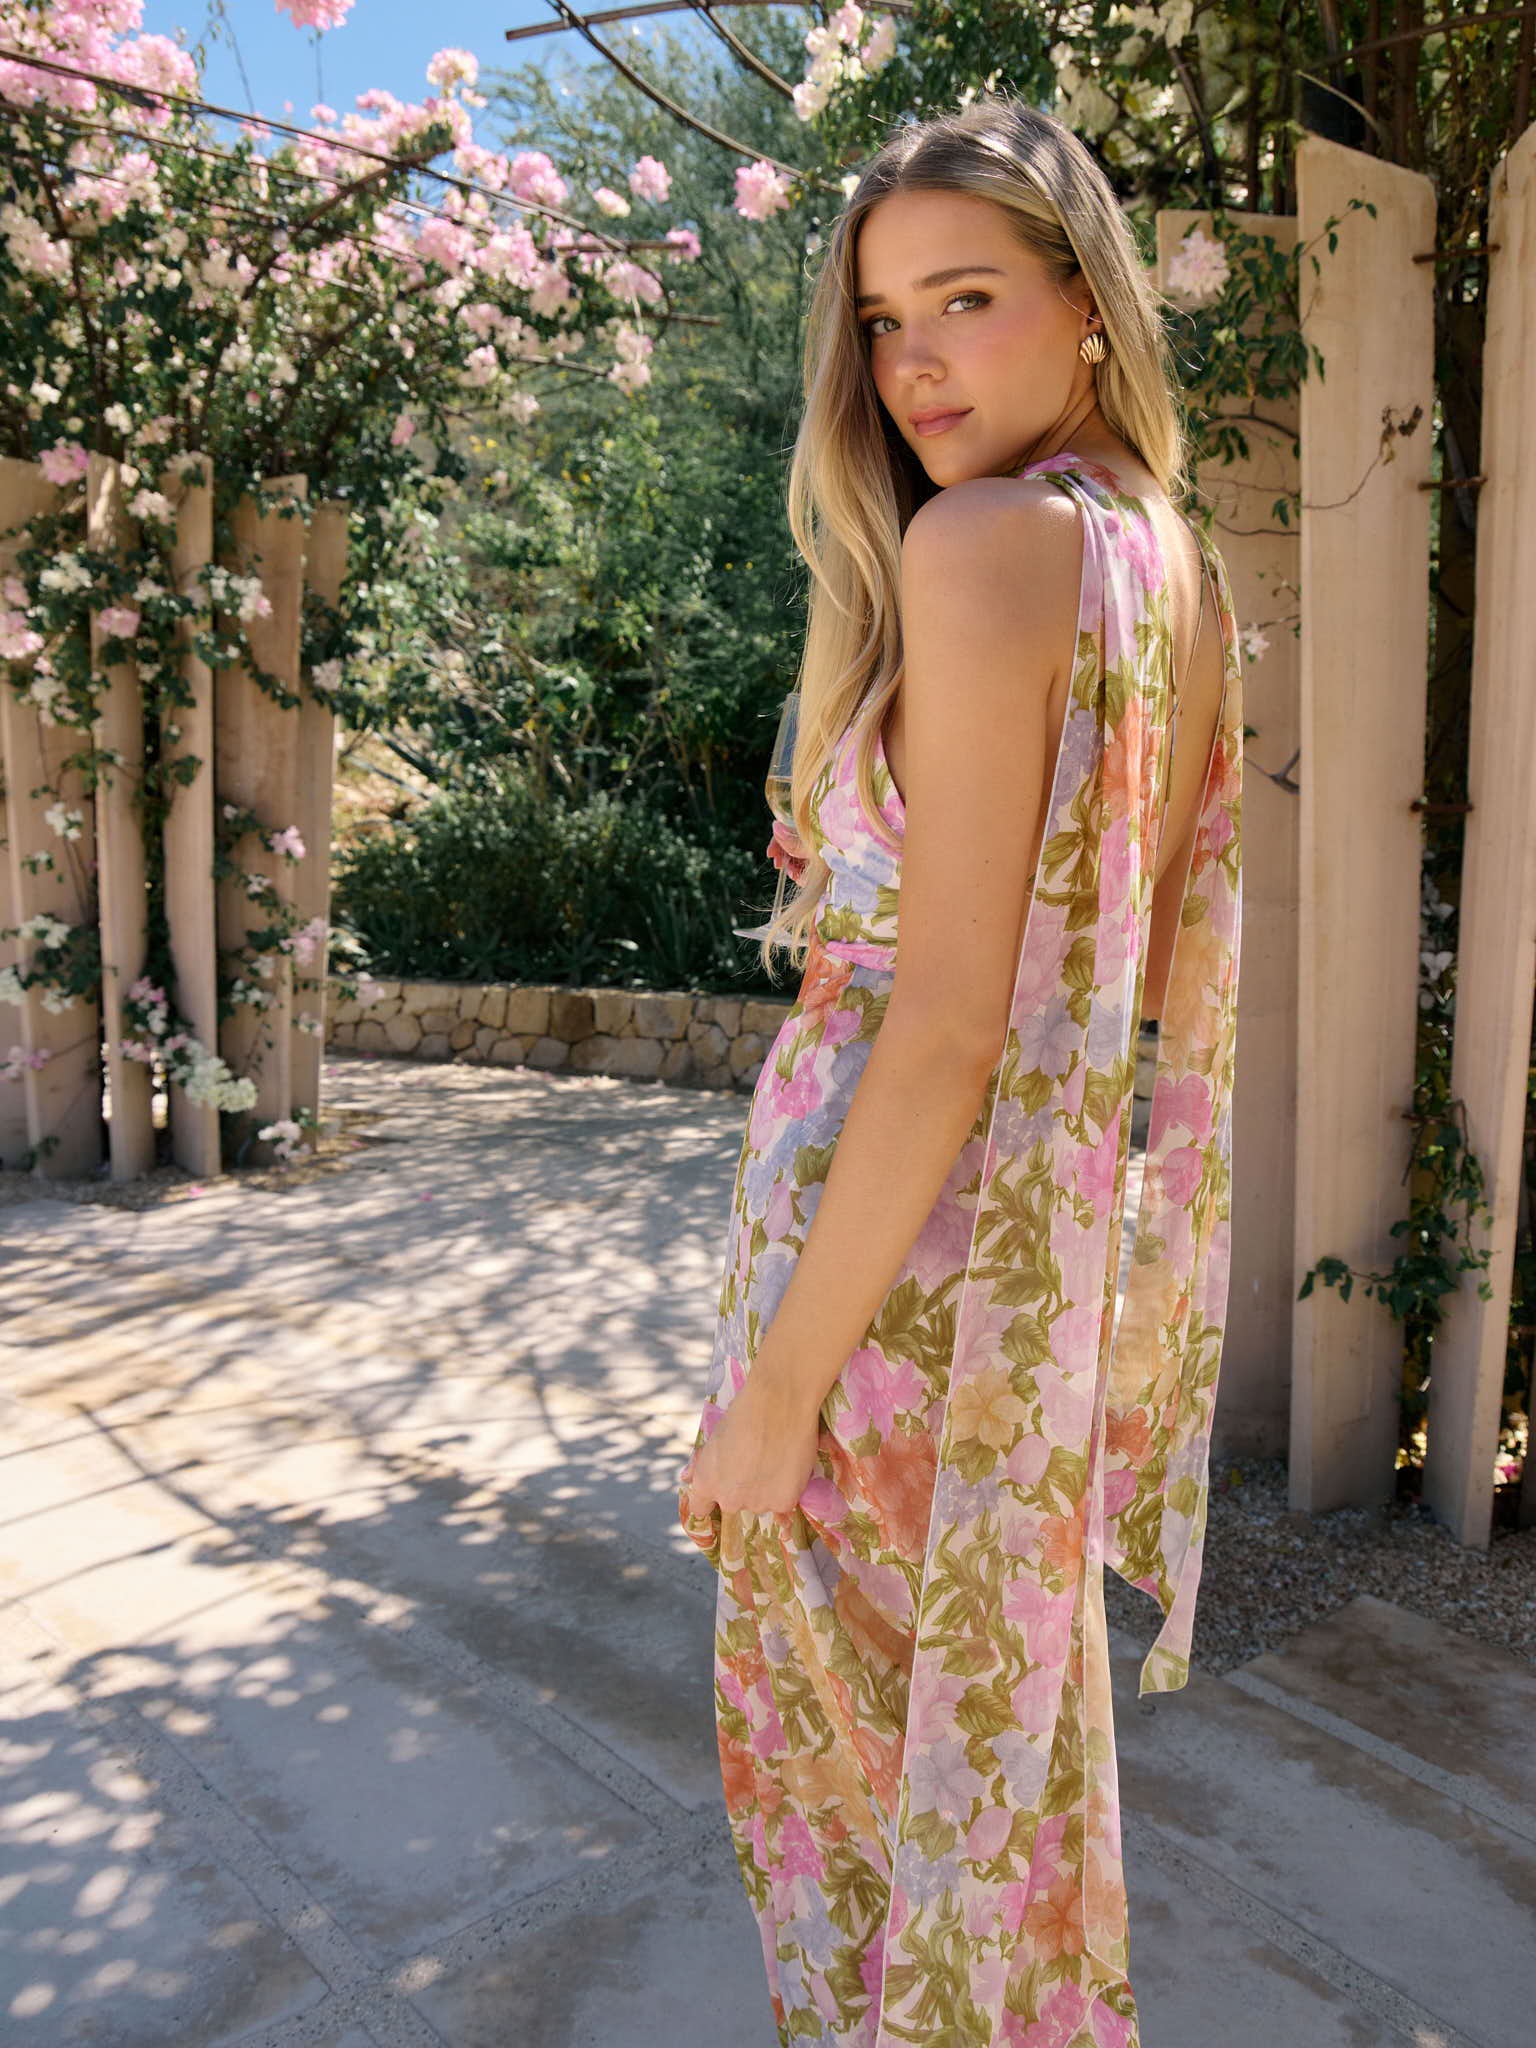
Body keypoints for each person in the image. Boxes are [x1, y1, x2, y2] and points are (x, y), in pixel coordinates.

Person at [677, 87, 1243, 2048]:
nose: (916, 363)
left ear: (1090, 301)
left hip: (890, 1300)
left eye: (970, 297)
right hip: (1005, 1304)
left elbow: (946, 1029)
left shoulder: (992, 545)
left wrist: (776, 1396)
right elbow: (1094, 964)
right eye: (884, 320)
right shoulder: (1161, 553)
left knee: (854, 1816)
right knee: (976, 1801)